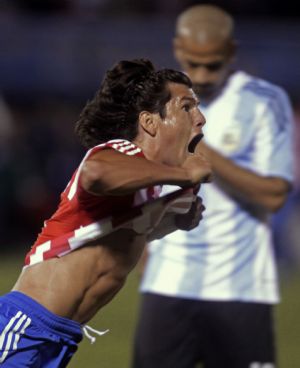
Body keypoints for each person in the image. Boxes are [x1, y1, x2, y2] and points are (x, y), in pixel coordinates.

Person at [0, 58, 212, 367]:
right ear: (150, 122)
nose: (200, 118)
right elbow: (96, 173)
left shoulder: (154, 187)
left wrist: (175, 220)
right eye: (186, 107)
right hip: (25, 325)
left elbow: (121, 236)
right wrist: (183, 174)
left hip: (59, 339)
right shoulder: (118, 153)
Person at [132, 5, 294, 368]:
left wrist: (199, 147)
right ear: (177, 48)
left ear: (231, 52)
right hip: (167, 283)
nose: (202, 75)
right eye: (194, 63)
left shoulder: (264, 102)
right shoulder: (154, 104)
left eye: (213, 65)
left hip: (240, 288)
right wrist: (142, 245)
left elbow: (275, 194)